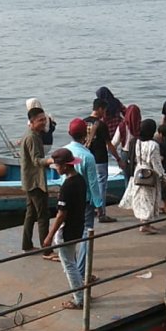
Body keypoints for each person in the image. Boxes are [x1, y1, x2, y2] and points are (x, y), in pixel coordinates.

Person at [42, 148, 87, 310]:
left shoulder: (67, 186)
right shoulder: (80, 180)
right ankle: (80, 292)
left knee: (69, 266)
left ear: (66, 166)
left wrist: (49, 236)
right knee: (72, 262)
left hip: (67, 230)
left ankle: (79, 299)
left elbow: (61, 215)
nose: (57, 169)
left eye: (58, 166)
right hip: (78, 225)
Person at [65, 118, 102, 283]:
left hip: (68, 201)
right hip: (85, 202)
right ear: (85, 134)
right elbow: (93, 183)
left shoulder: (64, 152)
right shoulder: (88, 156)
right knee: (87, 236)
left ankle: (74, 271)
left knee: (70, 236)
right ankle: (81, 272)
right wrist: (99, 204)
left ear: (69, 133)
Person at [118, 119, 166, 234]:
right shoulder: (153, 145)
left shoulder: (136, 141)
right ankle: (145, 225)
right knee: (149, 199)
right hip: (149, 173)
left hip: (138, 171)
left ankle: (144, 223)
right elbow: (156, 163)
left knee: (142, 199)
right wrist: (163, 176)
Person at [20, 107, 57, 260]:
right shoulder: (33, 137)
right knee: (43, 216)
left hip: (28, 180)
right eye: (40, 120)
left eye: (44, 119)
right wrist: (52, 161)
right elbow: (36, 161)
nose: (43, 123)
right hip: (35, 182)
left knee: (30, 213)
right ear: (32, 122)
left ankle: (26, 245)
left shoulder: (32, 135)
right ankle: (46, 250)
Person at [84, 98, 126, 223]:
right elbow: (109, 145)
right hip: (100, 159)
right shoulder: (101, 125)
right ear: (101, 109)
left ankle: (88, 209)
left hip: (86, 157)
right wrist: (118, 159)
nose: (106, 113)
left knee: (88, 184)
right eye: (105, 110)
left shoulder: (83, 122)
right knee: (101, 185)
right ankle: (101, 212)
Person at [111, 104, 141, 186]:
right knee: (139, 179)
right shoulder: (141, 126)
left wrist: (118, 159)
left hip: (126, 154)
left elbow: (113, 144)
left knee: (127, 180)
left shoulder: (122, 126)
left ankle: (128, 196)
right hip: (139, 154)